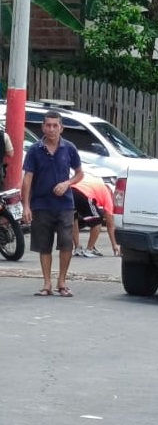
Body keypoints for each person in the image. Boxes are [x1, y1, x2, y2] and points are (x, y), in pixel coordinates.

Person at [21, 110, 83, 297]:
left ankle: (61, 282)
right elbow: (27, 179)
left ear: (61, 128)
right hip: (41, 204)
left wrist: (67, 183)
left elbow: (80, 174)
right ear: (42, 127)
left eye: (55, 125)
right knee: (44, 245)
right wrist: (26, 205)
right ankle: (46, 283)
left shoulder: (69, 148)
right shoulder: (34, 150)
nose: (51, 129)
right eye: (48, 125)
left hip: (64, 204)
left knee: (66, 244)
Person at [71, 173, 120, 257]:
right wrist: (114, 245)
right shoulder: (107, 195)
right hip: (84, 193)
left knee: (73, 220)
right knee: (97, 221)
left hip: (70, 191)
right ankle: (90, 249)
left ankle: (78, 248)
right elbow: (110, 224)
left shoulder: (97, 183)